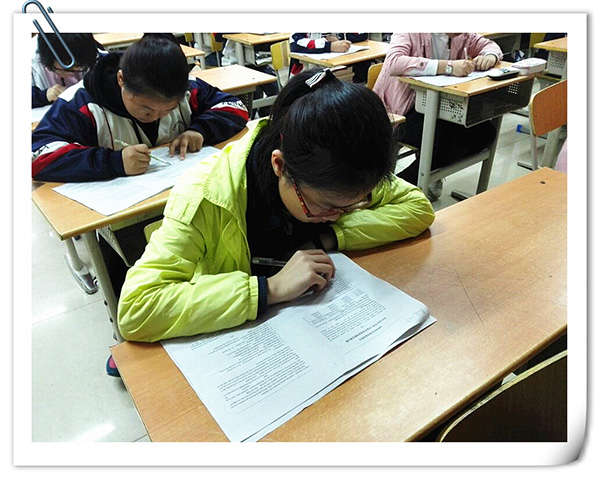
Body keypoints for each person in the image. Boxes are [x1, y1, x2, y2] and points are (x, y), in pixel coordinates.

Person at [117, 68, 436, 343]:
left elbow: (417, 207)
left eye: (353, 206)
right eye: (325, 207)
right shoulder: (207, 195)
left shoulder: (345, 168)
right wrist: (268, 289)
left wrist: (330, 237)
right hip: (242, 337)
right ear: (279, 165)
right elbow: (136, 308)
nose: (336, 215)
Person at [32, 34, 249, 182]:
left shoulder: (186, 87)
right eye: (146, 109)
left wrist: (200, 130)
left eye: (168, 110)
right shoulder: (81, 103)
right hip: (117, 211)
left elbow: (235, 107)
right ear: (121, 80)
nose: (155, 117)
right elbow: (38, 157)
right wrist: (114, 162)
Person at [373, 33, 503, 196]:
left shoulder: (462, 35)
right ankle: (396, 188)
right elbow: (394, 62)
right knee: (440, 142)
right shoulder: (411, 32)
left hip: (439, 109)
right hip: (401, 111)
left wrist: (490, 56)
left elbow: (488, 45)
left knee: (485, 133)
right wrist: (448, 67)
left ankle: (400, 185)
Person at [32, 33, 102, 108]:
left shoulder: (87, 47)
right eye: (67, 65)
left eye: (79, 65)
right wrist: (44, 96)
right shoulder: (32, 60)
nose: (77, 70)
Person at [289, 33, 369, 82]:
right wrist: (329, 46)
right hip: (307, 71)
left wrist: (335, 39)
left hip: (337, 65)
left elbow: (361, 36)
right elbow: (295, 43)